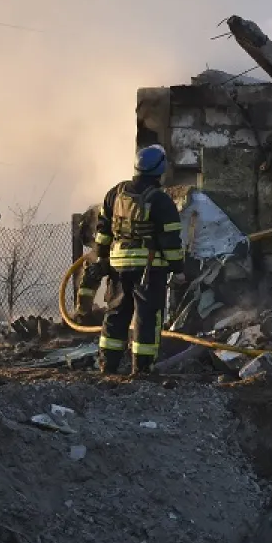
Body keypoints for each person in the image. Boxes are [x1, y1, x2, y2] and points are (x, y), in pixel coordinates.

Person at [93, 145, 184, 374]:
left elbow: (103, 231)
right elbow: (170, 240)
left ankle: (107, 366)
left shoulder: (115, 193)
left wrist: (102, 257)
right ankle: (142, 370)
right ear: (160, 168)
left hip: (117, 265)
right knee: (146, 317)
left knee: (115, 313)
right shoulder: (160, 200)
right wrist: (178, 269)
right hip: (149, 268)